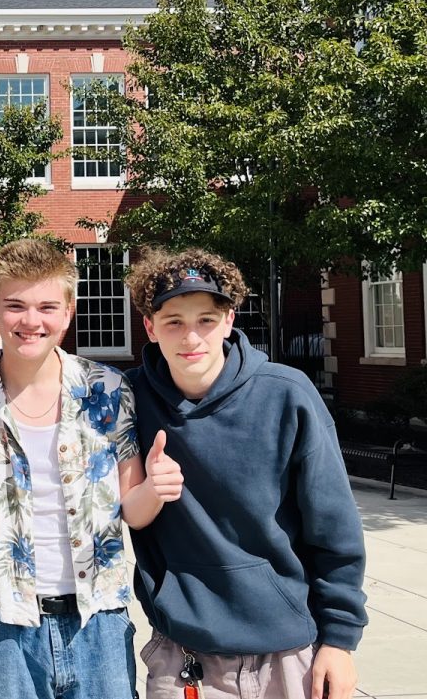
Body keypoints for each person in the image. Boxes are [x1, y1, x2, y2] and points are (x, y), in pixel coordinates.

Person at [0, 238, 175, 699]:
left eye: (46, 306)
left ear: (68, 311)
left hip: (98, 621)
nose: (31, 321)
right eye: (15, 306)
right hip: (3, 625)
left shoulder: (107, 390)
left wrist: (156, 487)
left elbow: (133, 512)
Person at [123, 248, 367, 699]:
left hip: (287, 651)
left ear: (229, 320)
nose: (190, 337)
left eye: (206, 320)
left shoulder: (287, 395)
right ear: (150, 327)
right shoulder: (129, 401)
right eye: (174, 321)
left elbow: (335, 530)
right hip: (183, 652)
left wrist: (339, 640)